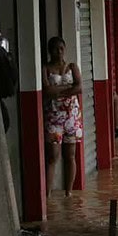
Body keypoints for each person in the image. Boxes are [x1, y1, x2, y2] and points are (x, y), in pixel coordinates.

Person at [43, 37, 84, 197]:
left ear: (64, 49)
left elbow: (79, 88)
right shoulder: (46, 68)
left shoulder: (72, 67)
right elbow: (47, 91)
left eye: (61, 48)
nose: (58, 52)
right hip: (53, 118)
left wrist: (58, 91)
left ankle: (69, 192)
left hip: (72, 118)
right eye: (55, 49)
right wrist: (69, 88)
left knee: (70, 155)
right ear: (49, 51)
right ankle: (46, 194)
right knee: (53, 156)